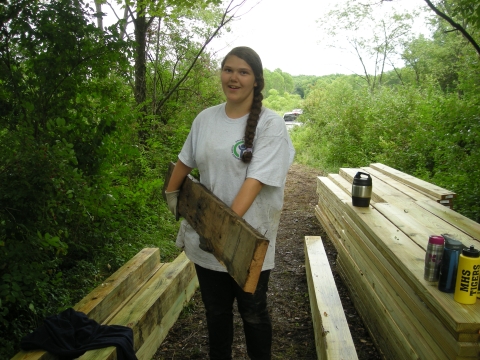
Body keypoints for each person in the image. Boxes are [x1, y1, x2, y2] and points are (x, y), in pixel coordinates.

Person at [164, 46, 295, 360]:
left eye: (243, 72)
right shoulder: (205, 119)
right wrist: (172, 196)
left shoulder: (270, 125)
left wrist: (222, 232)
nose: (233, 77)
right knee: (216, 312)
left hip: (248, 238)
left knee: (253, 312)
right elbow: (185, 161)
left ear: (256, 81)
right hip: (205, 238)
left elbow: (255, 183)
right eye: (228, 69)